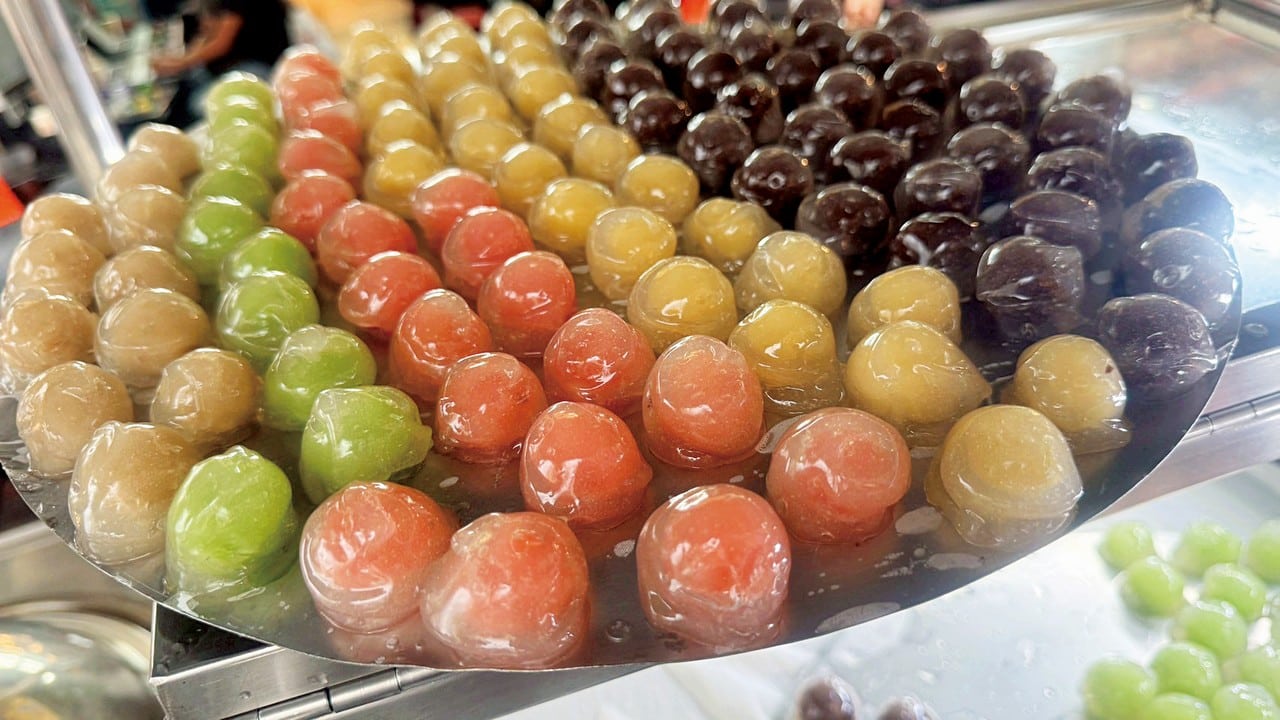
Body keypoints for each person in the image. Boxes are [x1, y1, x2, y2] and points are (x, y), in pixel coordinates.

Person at [151, 0, 291, 124]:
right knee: (188, 87)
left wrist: (178, 64)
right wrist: (183, 58)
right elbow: (207, 31)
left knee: (198, 104)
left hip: (258, 65)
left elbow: (222, 43)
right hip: (229, 65)